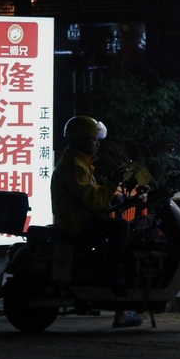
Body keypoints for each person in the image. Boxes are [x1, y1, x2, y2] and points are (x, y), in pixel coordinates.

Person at [50, 115, 143, 328]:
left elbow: (92, 195)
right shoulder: (74, 166)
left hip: (81, 218)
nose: (98, 144)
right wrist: (112, 182)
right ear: (81, 140)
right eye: (94, 140)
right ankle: (114, 277)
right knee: (121, 227)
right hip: (76, 223)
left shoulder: (80, 163)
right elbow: (94, 201)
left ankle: (120, 307)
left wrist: (114, 195)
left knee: (122, 233)